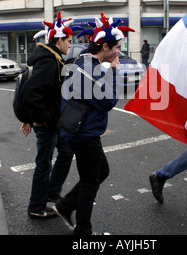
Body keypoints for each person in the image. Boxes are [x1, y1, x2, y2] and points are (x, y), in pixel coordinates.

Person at [52, 13, 134, 235]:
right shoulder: (89, 68)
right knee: (90, 182)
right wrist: (115, 73)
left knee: (101, 172)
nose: (118, 52)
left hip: (85, 132)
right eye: (116, 47)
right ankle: (83, 231)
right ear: (105, 46)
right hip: (84, 135)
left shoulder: (88, 63)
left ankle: (66, 205)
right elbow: (107, 101)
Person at [22, 12, 80, 218]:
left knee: (65, 152)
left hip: (52, 121)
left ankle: (52, 193)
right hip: (47, 123)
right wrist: (41, 118)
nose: (70, 45)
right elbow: (31, 92)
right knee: (44, 164)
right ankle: (36, 207)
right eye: (68, 41)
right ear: (59, 40)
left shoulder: (52, 58)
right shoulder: (48, 61)